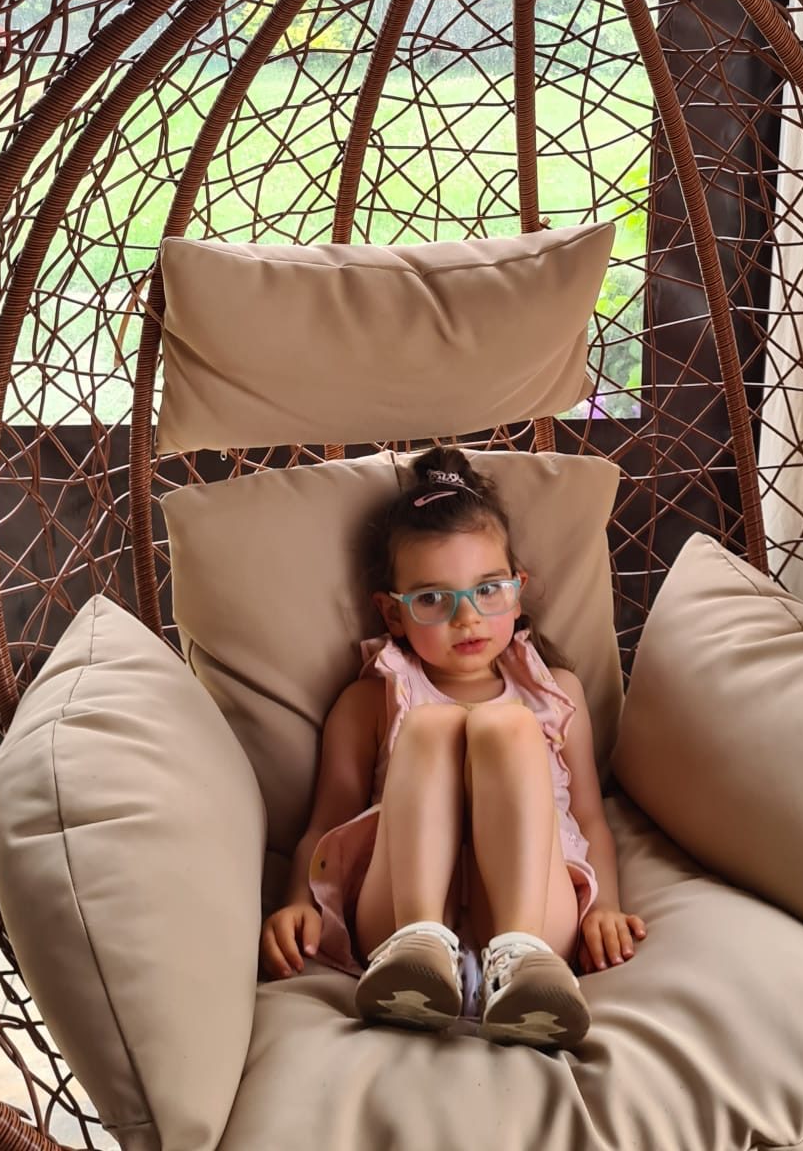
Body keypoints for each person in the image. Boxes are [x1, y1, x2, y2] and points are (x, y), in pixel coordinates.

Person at [259, 445, 647, 1049]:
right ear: (393, 613)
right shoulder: (369, 701)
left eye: (488, 590)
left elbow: (590, 817)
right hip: (400, 920)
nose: (467, 619)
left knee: (508, 728)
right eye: (433, 599)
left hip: (532, 922)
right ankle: (421, 948)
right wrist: (296, 902)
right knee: (430, 726)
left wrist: (604, 908)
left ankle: (521, 967)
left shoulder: (555, 693)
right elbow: (326, 823)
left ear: (517, 591)